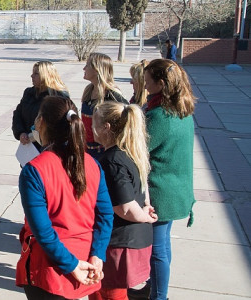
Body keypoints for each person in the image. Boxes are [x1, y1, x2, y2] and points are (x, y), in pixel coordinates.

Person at [15, 96, 114, 300]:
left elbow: (43, 231)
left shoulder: (34, 170)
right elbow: (105, 216)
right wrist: (97, 255)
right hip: (84, 260)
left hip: (50, 269)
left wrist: (72, 265)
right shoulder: (92, 164)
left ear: (41, 123)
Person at [89, 101, 158, 300]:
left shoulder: (112, 160)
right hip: (134, 239)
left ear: (106, 127)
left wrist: (145, 216)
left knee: (108, 294)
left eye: (95, 123)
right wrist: (146, 209)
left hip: (120, 243)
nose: (91, 128)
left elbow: (125, 207)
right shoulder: (132, 153)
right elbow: (142, 193)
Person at [144, 59, 195, 300]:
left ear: (161, 84)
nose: (144, 86)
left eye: (147, 81)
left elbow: (140, 149)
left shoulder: (160, 116)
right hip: (176, 189)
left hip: (161, 192)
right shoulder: (181, 110)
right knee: (162, 245)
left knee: (157, 251)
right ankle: (155, 289)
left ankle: (159, 296)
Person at [12, 60, 69, 151]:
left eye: (36, 73)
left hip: (49, 148)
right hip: (28, 147)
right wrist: (21, 132)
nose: (32, 76)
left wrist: (35, 136)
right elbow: (18, 114)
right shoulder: (28, 93)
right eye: (32, 73)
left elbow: (61, 127)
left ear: (46, 76)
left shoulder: (58, 97)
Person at [81, 52, 128, 159]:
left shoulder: (112, 95)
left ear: (97, 70)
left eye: (87, 65)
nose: (84, 68)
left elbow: (128, 119)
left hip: (104, 153)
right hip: (87, 151)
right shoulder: (88, 91)